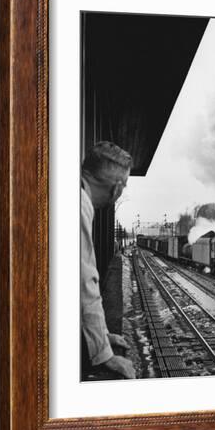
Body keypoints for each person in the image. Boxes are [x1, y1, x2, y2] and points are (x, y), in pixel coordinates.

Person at [81, 141, 136, 379]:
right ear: (117, 189)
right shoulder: (79, 205)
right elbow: (85, 284)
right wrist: (105, 353)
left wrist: (103, 335)